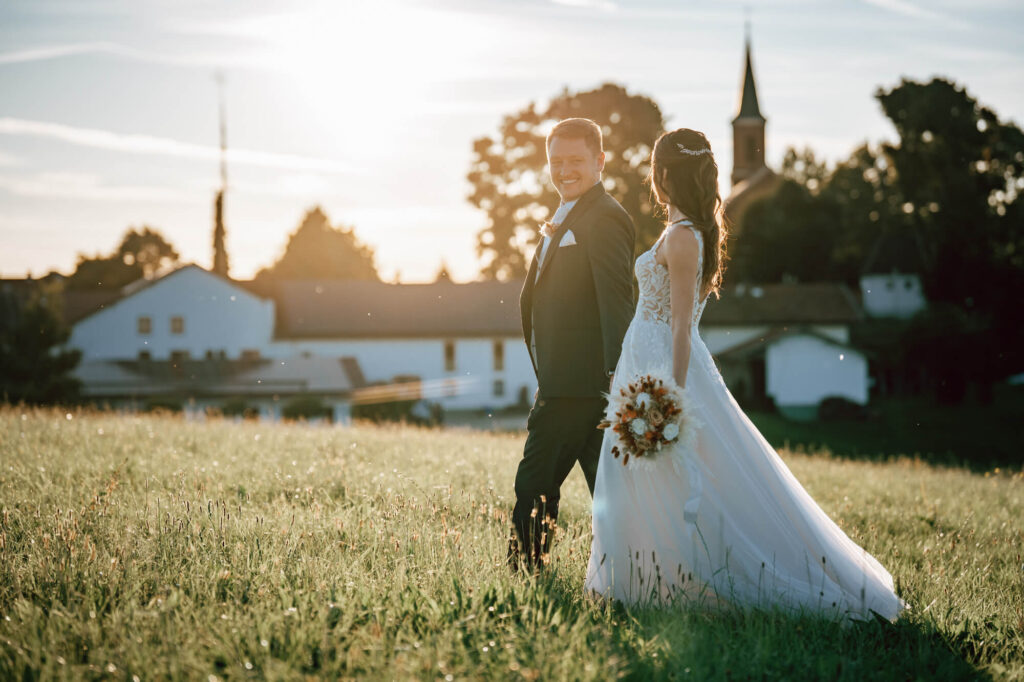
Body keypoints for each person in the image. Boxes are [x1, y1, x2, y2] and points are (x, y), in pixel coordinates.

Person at [586, 128, 906, 621]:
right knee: (632, 473)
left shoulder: (685, 236)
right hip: (640, 362)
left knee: (685, 473)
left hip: (664, 370)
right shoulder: (678, 231)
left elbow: (679, 327)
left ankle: (681, 579)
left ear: (663, 174)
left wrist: (670, 395)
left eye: (656, 169)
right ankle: (635, 578)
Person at [511, 118, 636, 570]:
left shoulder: (604, 218)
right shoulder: (568, 214)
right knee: (610, 496)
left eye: (576, 161)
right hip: (568, 382)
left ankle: (526, 572)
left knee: (536, 483)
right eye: (556, 161)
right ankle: (631, 576)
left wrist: (614, 381)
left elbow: (616, 302)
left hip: (586, 387)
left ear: (600, 161)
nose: (565, 170)